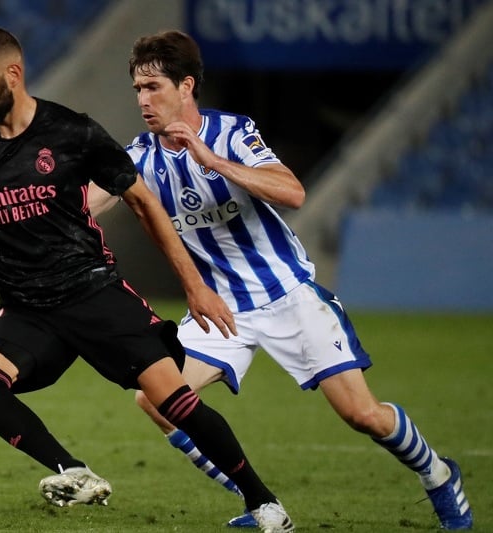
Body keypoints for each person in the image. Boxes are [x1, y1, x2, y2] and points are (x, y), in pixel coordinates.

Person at [90, 30, 473, 531]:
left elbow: (291, 192)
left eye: (154, 87)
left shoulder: (233, 134)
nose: (143, 99)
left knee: (362, 414)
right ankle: (261, 504)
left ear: (186, 86)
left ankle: (438, 474)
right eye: (137, 89)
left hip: (287, 295)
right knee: (158, 398)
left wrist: (211, 160)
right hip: (222, 308)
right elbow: (87, 202)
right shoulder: (139, 156)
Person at [0, 26, 295, 532]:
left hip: (94, 291)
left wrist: (193, 284)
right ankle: (71, 472)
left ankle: (264, 503)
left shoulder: (73, 132)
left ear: (13, 73)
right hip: (28, 307)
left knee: (176, 402)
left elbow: (145, 203)